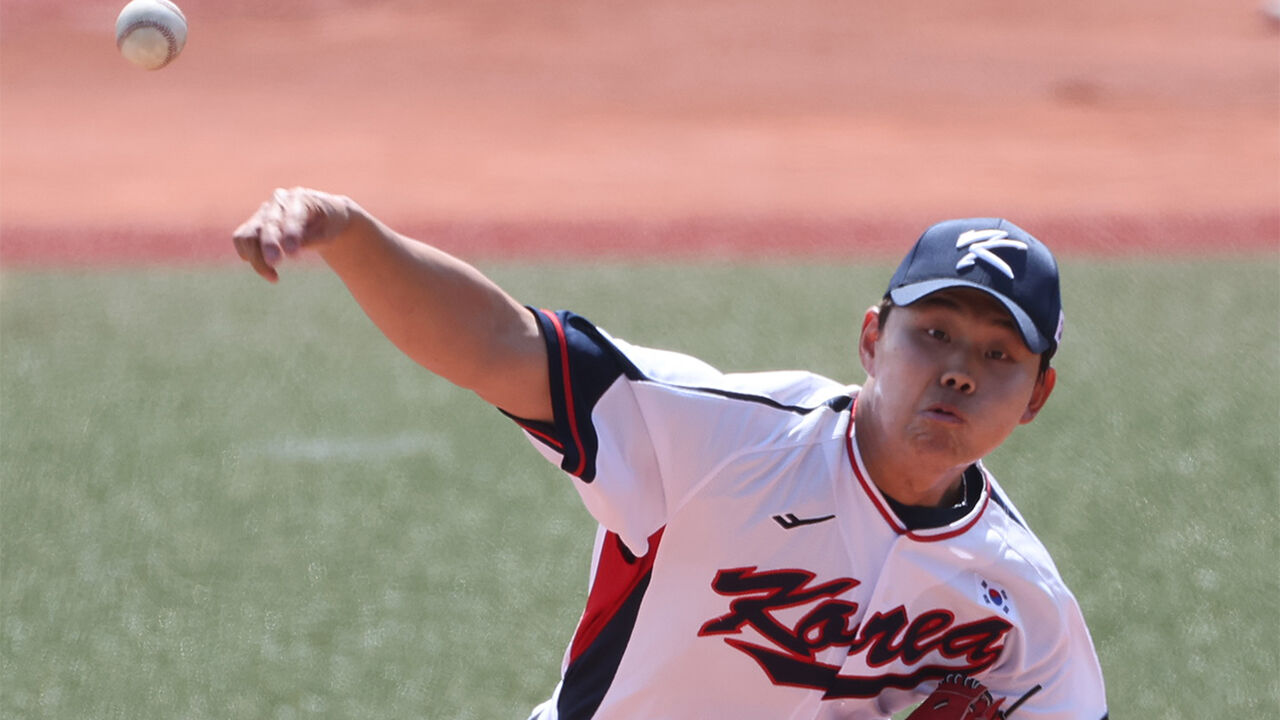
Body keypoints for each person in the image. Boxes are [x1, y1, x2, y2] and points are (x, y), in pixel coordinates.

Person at [233, 188, 1109, 720]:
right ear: (873, 340)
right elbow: (499, 345)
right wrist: (352, 235)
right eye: (934, 333)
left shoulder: (1020, 597)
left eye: (999, 355)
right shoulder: (720, 439)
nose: (959, 371)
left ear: (1036, 396)